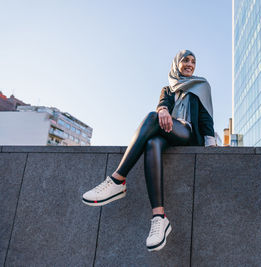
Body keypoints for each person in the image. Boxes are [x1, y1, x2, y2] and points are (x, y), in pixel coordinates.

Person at [82, 50, 216, 252]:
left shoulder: (201, 85)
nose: (190, 64)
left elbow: (206, 119)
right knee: (152, 142)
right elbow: (164, 103)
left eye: (193, 61)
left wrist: (211, 145)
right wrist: (163, 109)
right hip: (167, 134)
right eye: (185, 61)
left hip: (188, 133)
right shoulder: (168, 88)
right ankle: (159, 218)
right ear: (176, 64)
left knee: (152, 117)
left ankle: (118, 180)